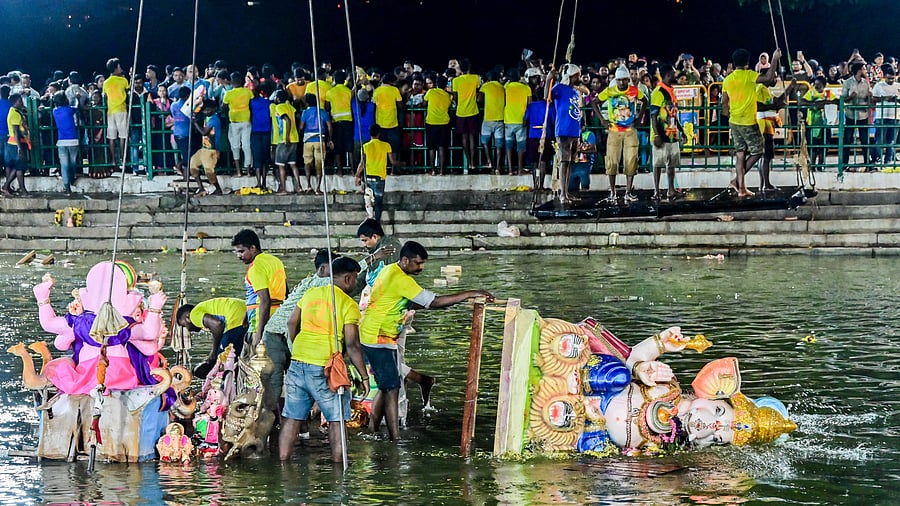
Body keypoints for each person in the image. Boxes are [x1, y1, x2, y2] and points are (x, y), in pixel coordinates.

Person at [359, 240, 493, 440]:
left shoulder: (388, 270)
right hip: (379, 338)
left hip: (372, 335)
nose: (420, 267)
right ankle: (395, 438)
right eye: (418, 263)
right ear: (405, 260)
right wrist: (470, 293)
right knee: (393, 387)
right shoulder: (401, 279)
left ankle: (373, 429)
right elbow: (434, 302)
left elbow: (408, 301)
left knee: (387, 385)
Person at [278, 257, 370, 463]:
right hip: (326, 368)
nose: (356, 283)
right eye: (355, 279)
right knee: (337, 419)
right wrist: (364, 377)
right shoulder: (348, 304)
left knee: (292, 417)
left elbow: (292, 322)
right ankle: (339, 468)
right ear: (347, 278)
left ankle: (283, 463)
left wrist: (299, 346)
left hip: (298, 362)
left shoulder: (310, 294)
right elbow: (353, 345)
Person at [721, 47, 781, 196]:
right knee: (758, 151)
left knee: (740, 153)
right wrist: (774, 59)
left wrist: (726, 118)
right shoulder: (749, 75)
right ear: (747, 62)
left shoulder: (728, 79)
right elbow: (767, 78)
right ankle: (736, 182)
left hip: (734, 121)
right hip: (748, 121)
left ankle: (741, 188)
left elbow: (724, 102)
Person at [592, 65, 648, 203]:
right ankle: (612, 193)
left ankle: (628, 192)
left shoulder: (634, 90)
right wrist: (603, 120)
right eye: (619, 80)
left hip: (630, 131)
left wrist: (639, 117)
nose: (621, 83)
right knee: (611, 162)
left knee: (631, 161)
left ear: (628, 79)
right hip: (614, 130)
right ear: (615, 80)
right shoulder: (609, 91)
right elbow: (594, 102)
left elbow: (645, 100)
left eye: (624, 80)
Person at [232, 229, 287, 357]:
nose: (238, 256)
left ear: (253, 248)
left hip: (259, 324)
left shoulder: (256, 267)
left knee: (250, 369)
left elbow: (265, 300)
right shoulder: (275, 261)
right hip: (279, 321)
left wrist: (259, 335)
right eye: (237, 252)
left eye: (241, 251)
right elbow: (286, 293)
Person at [176, 297, 248, 372]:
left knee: (220, 359)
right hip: (247, 311)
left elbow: (217, 325)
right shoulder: (203, 308)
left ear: (187, 316)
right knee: (233, 356)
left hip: (236, 318)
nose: (188, 329)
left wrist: (214, 351)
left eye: (184, 325)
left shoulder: (193, 315)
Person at [549, 63, 584, 203]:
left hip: (574, 130)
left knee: (569, 162)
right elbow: (548, 96)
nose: (579, 77)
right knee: (564, 162)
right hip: (563, 129)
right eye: (577, 75)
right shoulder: (560, 88)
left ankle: (566, 192)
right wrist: (548, 80)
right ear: (572, 75)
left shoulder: (574, 91)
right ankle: (563, 194)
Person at [754, 78, 798, 191]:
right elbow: (757, 106)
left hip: (767, 125)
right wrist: (774, 106)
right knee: (766, 156)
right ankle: (766, 185)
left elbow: (778, 101)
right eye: (773, 76)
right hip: (763, 126)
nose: (776, 79)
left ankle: (763, 185)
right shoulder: (760, 89)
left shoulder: (766, 90)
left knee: (765, 157)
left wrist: (790, 87)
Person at [650, 64, 685, 201]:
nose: (675, 76)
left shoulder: (671, 91)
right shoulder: (658, 92)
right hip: (661, 133)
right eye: (673, 73)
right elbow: (653, 115)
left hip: (672, 133)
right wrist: (657, 134)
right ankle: (657, 191)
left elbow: (673, 115)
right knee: (658, 164)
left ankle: (671, 190)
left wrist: (681, 131)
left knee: (671, 164)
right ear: (668, 75)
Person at [355, 124, 398, 223]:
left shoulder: (365, 146)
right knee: (378, 203)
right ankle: (376, 223)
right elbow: (393, 162)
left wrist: (357, 175)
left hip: (368, 177)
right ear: (379, 133)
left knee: (368, 202)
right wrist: (402, 163)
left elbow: (362, 163)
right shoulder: (386, 145)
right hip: (380, 178)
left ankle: (370, 219)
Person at [841, 62, 873, 172]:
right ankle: (844, 164)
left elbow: (870, 100)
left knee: (865, 140)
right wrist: (850, 97)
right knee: (847, 140)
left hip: (863, 114)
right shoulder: (847, 82)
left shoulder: (866, 83)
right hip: (851, 114)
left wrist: (870, 97)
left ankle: (867, 164)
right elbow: (842, 99)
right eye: (864, 69)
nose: (865, 71)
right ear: (859, 70)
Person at [188, 99, 224, 195]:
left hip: (212, 150)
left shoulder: (214, 119)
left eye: (208, 110)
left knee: (209, 171)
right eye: (205, 110)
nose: (206, 112)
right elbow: (196, 109)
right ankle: (201, 188)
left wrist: (195, 123)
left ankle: (218, 189)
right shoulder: (206, 117)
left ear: (214, 109)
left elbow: (204, 132)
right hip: (204, 148)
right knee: (192, 165)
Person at [299, 93, 333, 194]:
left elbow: (301, 127)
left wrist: (301, 138)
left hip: (308, 140)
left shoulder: (305, 112)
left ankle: (309, 186)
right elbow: (329, 127)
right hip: (320, 140)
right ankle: (318, 188)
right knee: (319, 164)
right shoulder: (322, 112)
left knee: (307, 162)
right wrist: (329, 139)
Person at [452, 59, 480, 171]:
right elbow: (478, 92)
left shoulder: (456, 81)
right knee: (472, 138)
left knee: (464, 138)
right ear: (469, 67)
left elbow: (455, 97)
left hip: (461, 112)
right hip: (473, 111)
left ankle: (468, 162)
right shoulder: (475, 78)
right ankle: (473, 162)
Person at [223, 71, 254, 176]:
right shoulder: (248, 92)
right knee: (247, 146)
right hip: (246, 121)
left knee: (235, 147)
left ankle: (239, 172)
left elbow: (223, 107)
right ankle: (249, 171)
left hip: (234, 122)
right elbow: (252, 104)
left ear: (231, 82)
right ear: (241, 81)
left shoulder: (228, 94)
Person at [52, 91, 82, 194]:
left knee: (64, 164)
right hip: (73, 140)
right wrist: (77, 98)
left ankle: (67, 186)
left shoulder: (54, 111)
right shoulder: (69, 110)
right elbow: (77, 106)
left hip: (61, 141)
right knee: (73, 162)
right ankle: (72, 178)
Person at [524, 87, 554, 191]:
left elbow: (525, 121)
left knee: (534, 161)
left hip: (533, 135)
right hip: (546, 135)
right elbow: (554, 120)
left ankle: (535, 184)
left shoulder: (530, 106)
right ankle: (541, 185)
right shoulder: (548, 106)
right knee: (543, 161)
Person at [324, 69, 354, 175]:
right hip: (349, 121)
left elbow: (327, 107)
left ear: (334, 80)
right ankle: (352, 169)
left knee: (337, 147)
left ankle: (340, 170)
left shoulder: (330, 92)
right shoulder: (349, 91)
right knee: (349, 146)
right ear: (344, 80)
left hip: (336, 122)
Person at [273, 90, 302, 193]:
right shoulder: (290, 107)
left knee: (281, 165)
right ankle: (299, 187)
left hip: (284, 139)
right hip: (295, 138)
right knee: (293, 164)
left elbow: (287, 120)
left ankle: (283, 189)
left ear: (278, 98)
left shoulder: (279, 107)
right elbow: (297, 117)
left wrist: (286, 137)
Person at [102, 58, 129, 167]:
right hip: (121, 110)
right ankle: (123, 159)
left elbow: (104, 95)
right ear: (116, 68)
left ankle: (113, 161)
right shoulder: (123, 80)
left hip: (110, 111)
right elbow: (128, 92)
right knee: (123, 136)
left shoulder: (106, 82)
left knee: (112, 137)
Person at [503, 68, 531, 176]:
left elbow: (505, 84)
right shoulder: (526, 88)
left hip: (508, 120)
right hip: (521, 120)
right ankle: (520, 170)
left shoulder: (506, 87)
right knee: (521, 146)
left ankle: (510, 170)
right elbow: (530, 104)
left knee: (509, 145)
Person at [372, 73, 403, 166]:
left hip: (380, 124)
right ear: (391, 81)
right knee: (394, 148)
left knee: (381, 148)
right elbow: (400, 105)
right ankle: (393, 170)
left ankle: (383, 167)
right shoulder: (394, 90)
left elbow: (373, 105)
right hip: (393, 123)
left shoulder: (377, 91)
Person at [423, 75, 452, 175]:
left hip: (431, 122)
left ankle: (433, 170)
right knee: (442, 147)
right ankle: (442, 170)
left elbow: (424, 102)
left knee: (431, 147)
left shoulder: (430, 92)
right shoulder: (447, 95)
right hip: (444, 123)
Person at [872, 66, 899, 165]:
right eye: (889, 78)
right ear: (885, 77)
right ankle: (876, 159)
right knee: (879, 140)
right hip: (881, 116)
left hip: (895, 116)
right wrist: (885, 98)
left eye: (892, 78)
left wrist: (896, 100)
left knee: (891, 142)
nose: (891, 80)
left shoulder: (898, 86)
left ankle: (888, 160)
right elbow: (873, 98)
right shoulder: (879, 85)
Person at [479, 71, 505, 173]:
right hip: (500, 119)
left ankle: (489, 161)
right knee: (499, 145)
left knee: (484, 141)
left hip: (488, 119)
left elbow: (479, 99)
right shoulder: (502, 87)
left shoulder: (485, 86)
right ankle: (498, 166)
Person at [3, 93, 29, 196]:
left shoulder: (15, 111)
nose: (21, 102)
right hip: (16, 143)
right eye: (20, 101)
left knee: (16, 167)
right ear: (15, 102)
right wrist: (19, 147)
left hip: (12, 143)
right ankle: (21, 190)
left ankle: (7, 187)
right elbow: (16, 132)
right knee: (19, 168)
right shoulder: (15, 114)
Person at [249, 82, 272, 189]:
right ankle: (264, 183)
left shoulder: (252, 102)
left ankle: (258, 183)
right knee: (265, 159)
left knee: (257, 159)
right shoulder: (270, 103)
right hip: (266, 132)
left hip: (255, 132)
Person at [568, 122, 595, 194]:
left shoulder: (589, 134)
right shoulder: (571, 134)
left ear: (584, 127)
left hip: (584, 163)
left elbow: (593, 149)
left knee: (584, 185)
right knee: (571, 188)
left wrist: (579, 150)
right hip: (572, 164)